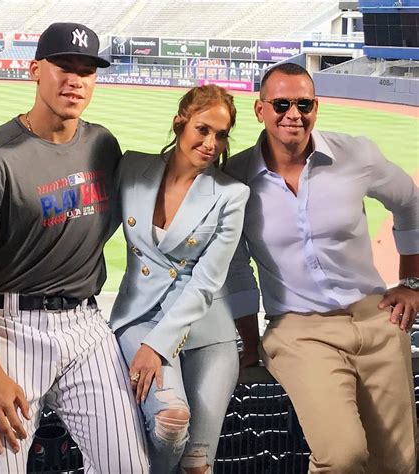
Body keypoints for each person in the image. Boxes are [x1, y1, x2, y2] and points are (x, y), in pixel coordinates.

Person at [0, 22, 148, 473]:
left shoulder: (103, 144)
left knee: (129, 467)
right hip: (7, 331)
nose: (75, 80)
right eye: (63, 67)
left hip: (85, 327)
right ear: (36, 70)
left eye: (87, 71)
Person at [220, 63, 418, 473]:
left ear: (316, 107)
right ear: (260, 110)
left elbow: (410, 203)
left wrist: (412, 283)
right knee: (342, 457)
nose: (294, 113)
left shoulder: (356, 154)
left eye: (304, 103)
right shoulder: (234, 180)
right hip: (300, 331)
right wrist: (249, 342)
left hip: (377, 319)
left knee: (399, 465)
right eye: (281, 104)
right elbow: (237, 269)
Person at [110, 85, 250, 474]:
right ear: (179, 123)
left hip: (209, 333)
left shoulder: (232, 194)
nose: (211, 144)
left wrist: (158, 346)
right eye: (203, 130)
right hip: (140, 317)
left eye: (221, 135)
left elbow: (206, 282)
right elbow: (93, 233)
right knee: (171, 420)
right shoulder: (132, 168)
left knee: (197, 464)